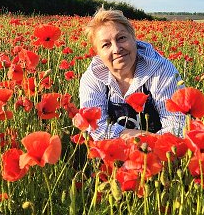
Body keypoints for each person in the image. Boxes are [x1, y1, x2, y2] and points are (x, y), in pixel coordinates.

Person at [79, 8, 185, 141]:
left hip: (162, 156)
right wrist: (140, 138)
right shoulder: (93, 77)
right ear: (98, 53)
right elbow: (94, 128)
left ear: (134, 38)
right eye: (106, 44)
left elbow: (178, 128)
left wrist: (144, 147)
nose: (116, 49)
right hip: (114, 156)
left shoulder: (161, 70)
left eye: (121, 38)